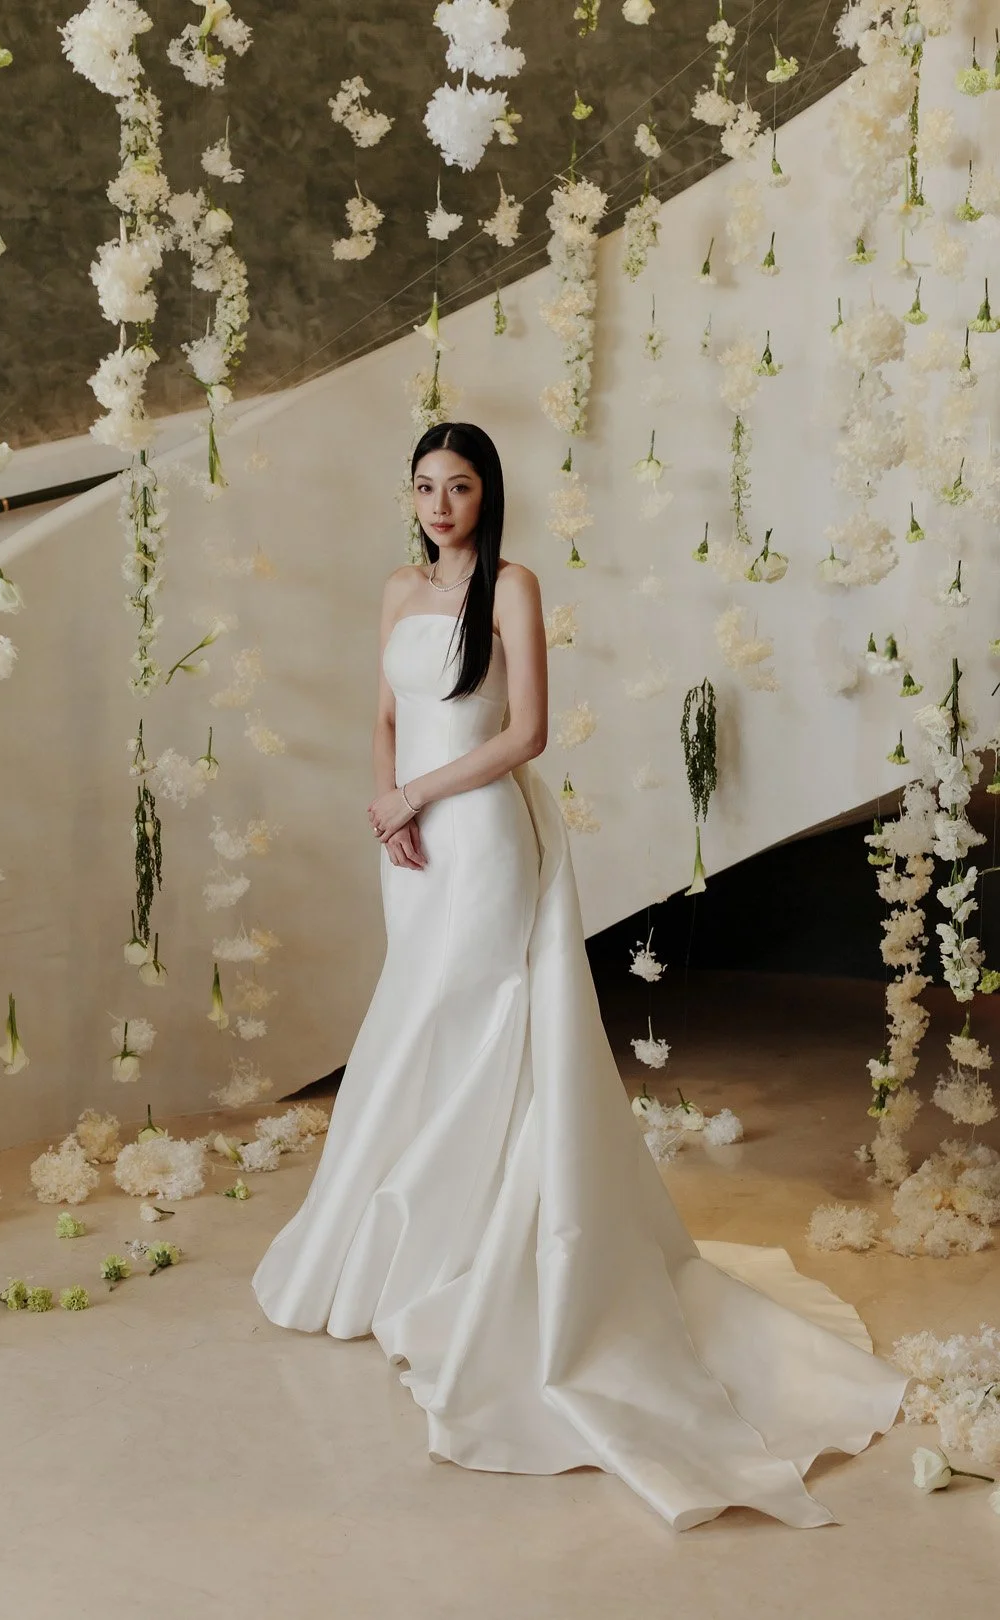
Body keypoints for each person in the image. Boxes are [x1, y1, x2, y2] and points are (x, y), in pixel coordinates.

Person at [251, 421, 908, 1532]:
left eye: (459, 486)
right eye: (424, 486)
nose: (440, 503)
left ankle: (480, 1255)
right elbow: (383, 717)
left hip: (482, 841)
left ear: (486, 493)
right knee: (416, 1030)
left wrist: (421, 798)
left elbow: (527, 735)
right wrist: (385, 805)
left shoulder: (512, 583)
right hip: (406, 848)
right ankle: (401, 1248)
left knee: (480, 1031)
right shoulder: (396, 588)